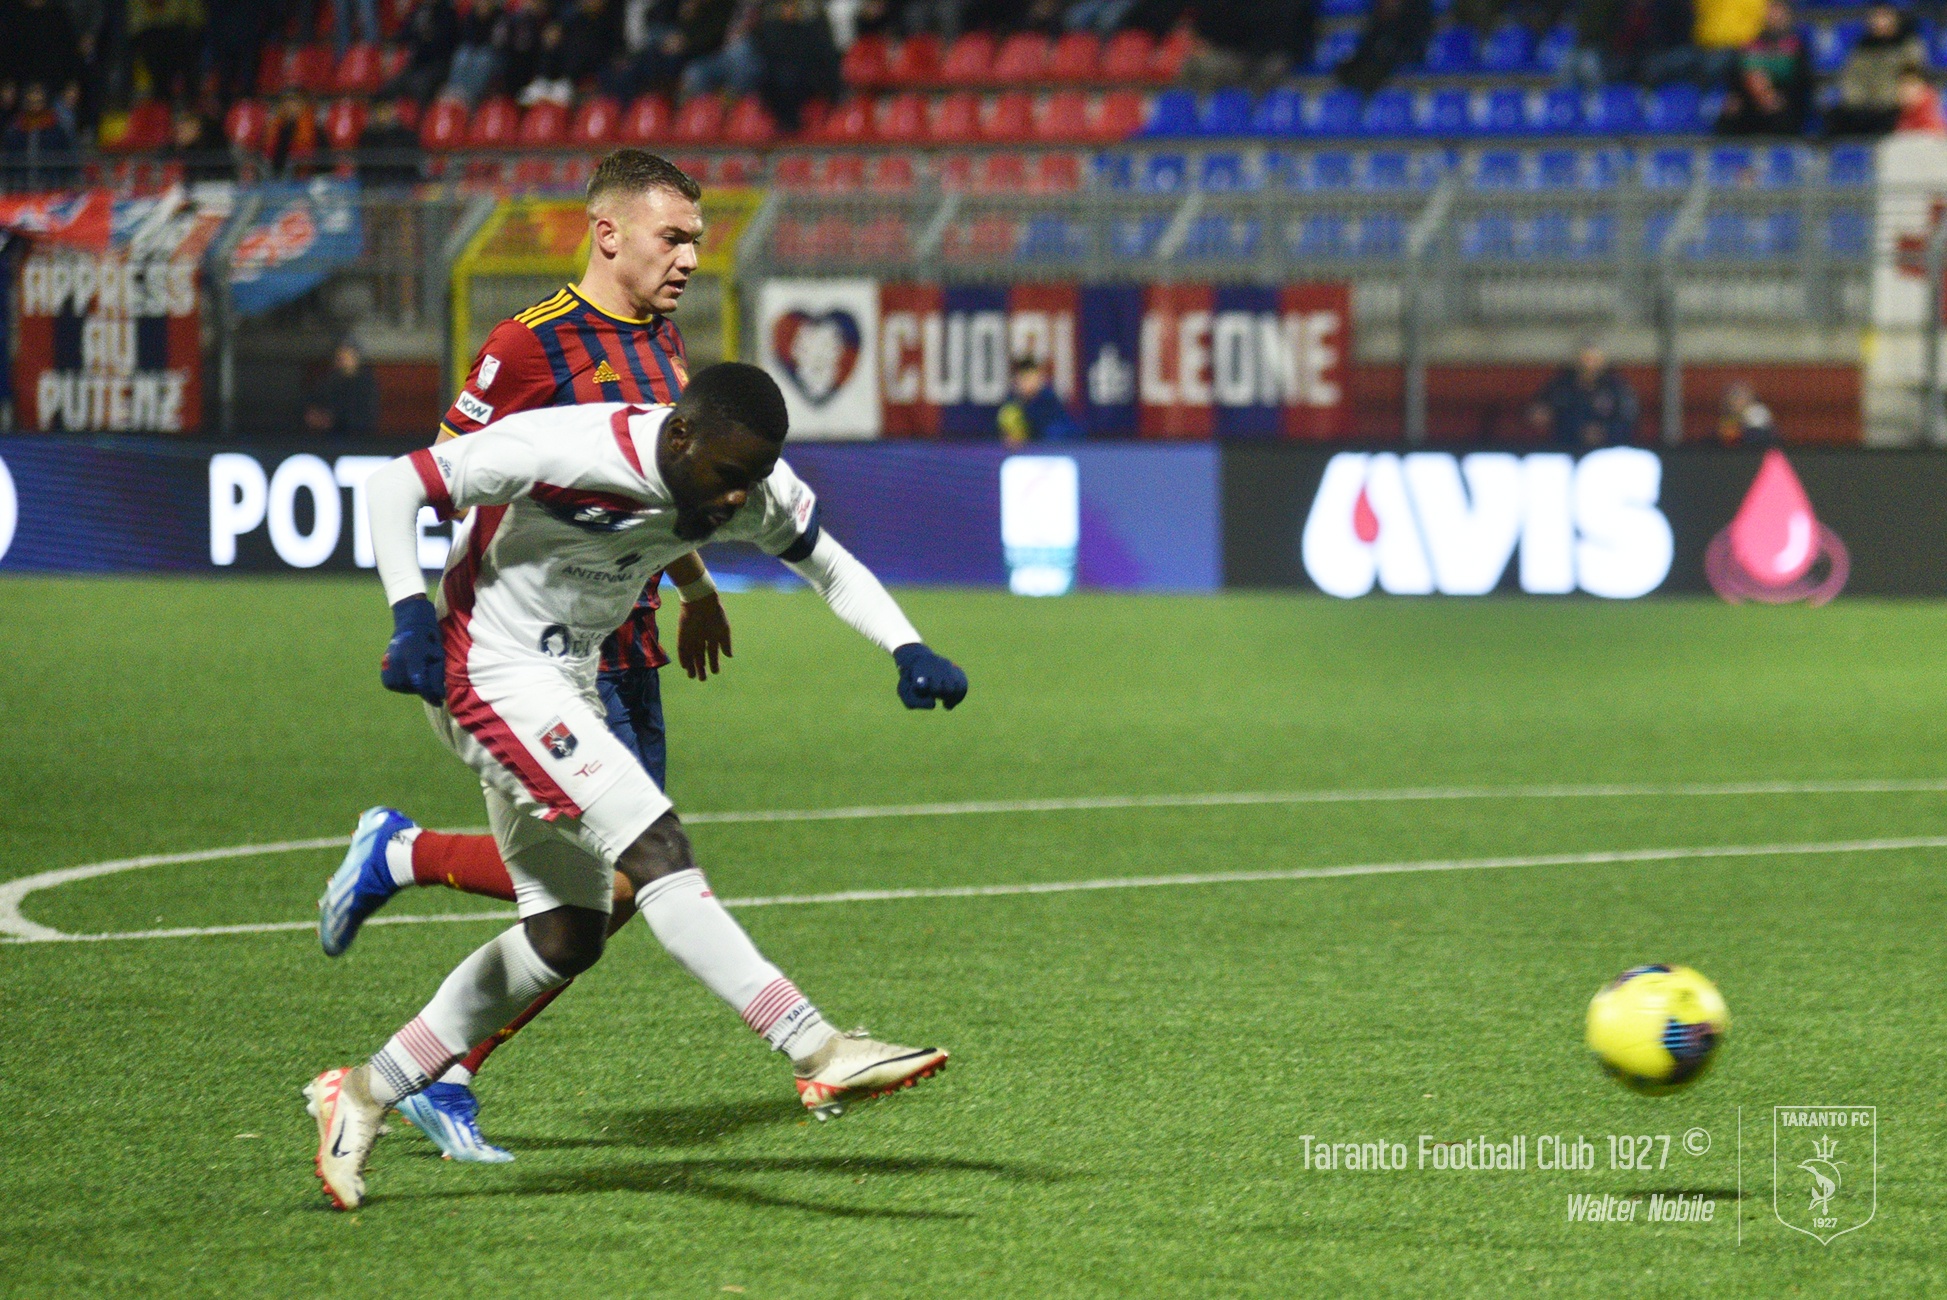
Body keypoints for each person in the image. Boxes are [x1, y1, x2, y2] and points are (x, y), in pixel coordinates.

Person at [306, 364, 965, 1211]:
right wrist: (407, 613)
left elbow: (828, 565)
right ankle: (815, 1047)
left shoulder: (744, 481)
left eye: (754, 480)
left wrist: (906, 648)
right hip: (486, 674)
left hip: (564, 681)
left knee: (566, 936)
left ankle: (360, 1094)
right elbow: (398, 484)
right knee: (654, 849)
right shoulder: (571, 447)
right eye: (728, 478)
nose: (737, 501)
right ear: (681, 437)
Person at [316, 149, 731, 1163]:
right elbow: (446, 478)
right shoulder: (528, 346)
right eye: (673, 237)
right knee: (621, 887)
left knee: (609, 895)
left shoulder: (666, 341)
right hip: (552, 652)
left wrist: (693, 585)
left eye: (696, 243)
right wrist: (427, 616)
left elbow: (655, 481)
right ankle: (438, 1059)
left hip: (630, 643)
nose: (688, 259)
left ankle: (405, 865)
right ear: (607, 232)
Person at [1825, 2, 1924, 139]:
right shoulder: (1861, 48)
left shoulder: (1908, 47)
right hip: (1864, 106)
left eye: (1884, 17)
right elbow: (1851, 81)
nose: (1879, 22)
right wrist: (1861, 101)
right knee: (1836, 116)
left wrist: (1887, 99)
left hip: (1892, 106)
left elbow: (1911, 81)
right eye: (1875, 17)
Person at [1714, 0, 1811, 136]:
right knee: (1730, 112)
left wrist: (1777, 96)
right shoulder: (1749, 44)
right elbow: (1735, 74)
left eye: (1778, 12)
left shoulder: (1797, 46)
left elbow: (1804, 81)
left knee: (1782, 114)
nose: (1774, 16)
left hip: (1784, 100)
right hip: (1749, 99)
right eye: (1771, 12)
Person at [1528, 344, 1639, 447]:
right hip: (1566, 447)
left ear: (1602, 362)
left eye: (1593, 360)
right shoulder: (1560, 385)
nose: (1588, 364)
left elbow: (1629, 417)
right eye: (1585, 359)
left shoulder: (1617, 387)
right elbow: (1539, 410)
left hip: (1608, 449)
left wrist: (1604, 432)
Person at [304, 339, 382, 437]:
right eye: (340, 357)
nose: (342, 360)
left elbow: (364, 417)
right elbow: (314, 403)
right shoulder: (330, 380)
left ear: (356, 358)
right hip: (327, 438)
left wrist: (332, 420)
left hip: (358, 438)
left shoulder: (366, 383)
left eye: (346, 356)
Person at [997, 355, 1082, 444]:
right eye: (1024, 378)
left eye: (1032, 378)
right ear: (1016, 380)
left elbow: (1061, 433)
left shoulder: (1049, 400)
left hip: (1052, 448)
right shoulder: (1010, 403)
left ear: (1039, 378)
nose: (1028, 383)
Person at [1717, 379, 1776, 445]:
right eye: (1734, 397)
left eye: (1741, 397)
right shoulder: (1729, 417)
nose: (1737, 401)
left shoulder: (1757, 412)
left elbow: (1757, 437)